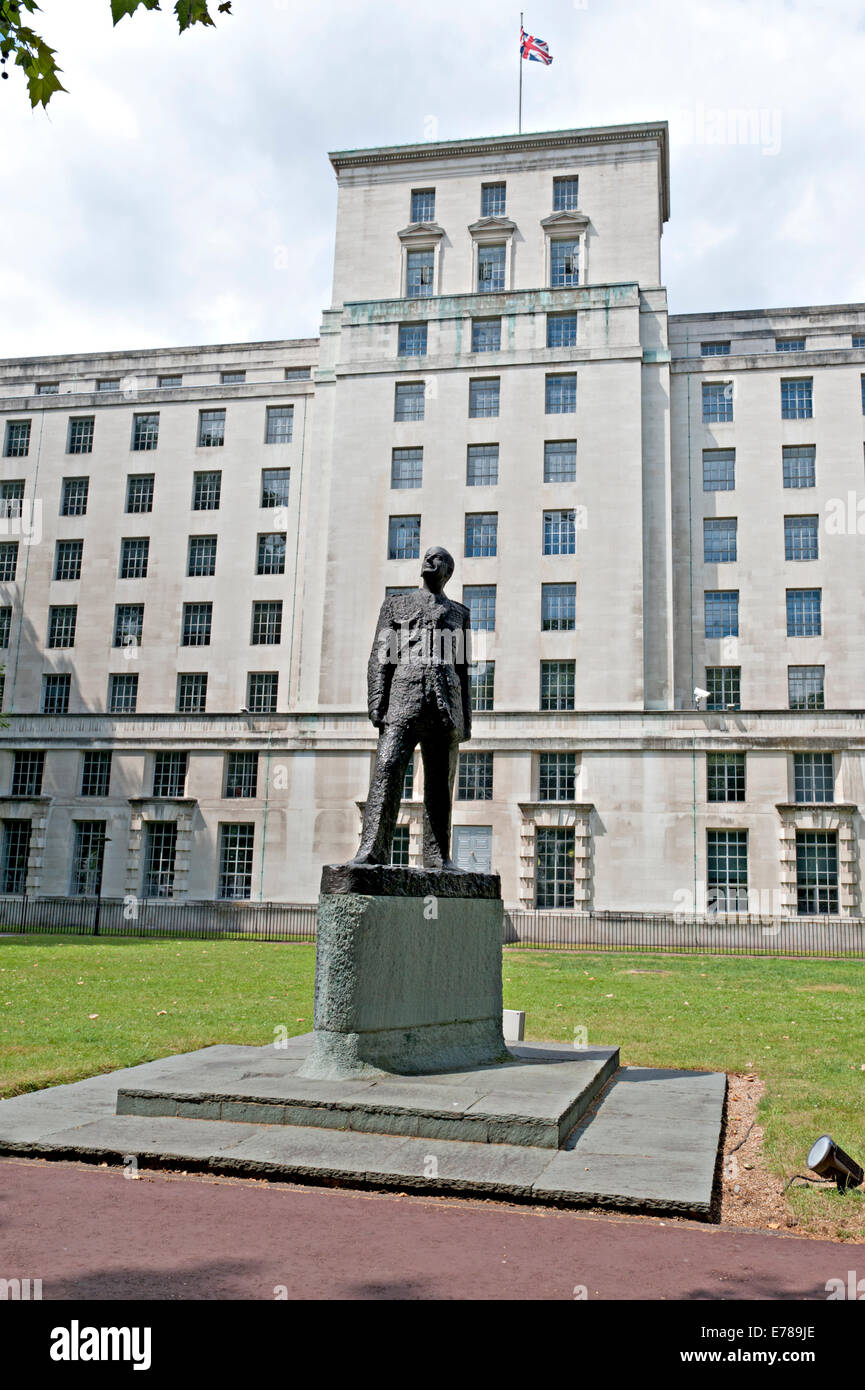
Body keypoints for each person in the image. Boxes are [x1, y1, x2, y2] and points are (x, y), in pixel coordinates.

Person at [351, 545, 472, 869]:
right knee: (387, 768)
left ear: (448, 572)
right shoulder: (396, 605)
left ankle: (438, 857)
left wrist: (466, 721)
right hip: (403, 699)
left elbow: (462, 669)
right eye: (428, 557)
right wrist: (377, 702)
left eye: (440, 558)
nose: (431, 560)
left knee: (439, 783)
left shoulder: (459, 614)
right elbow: (380, 658)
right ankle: (372, 851)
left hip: (444, 707)